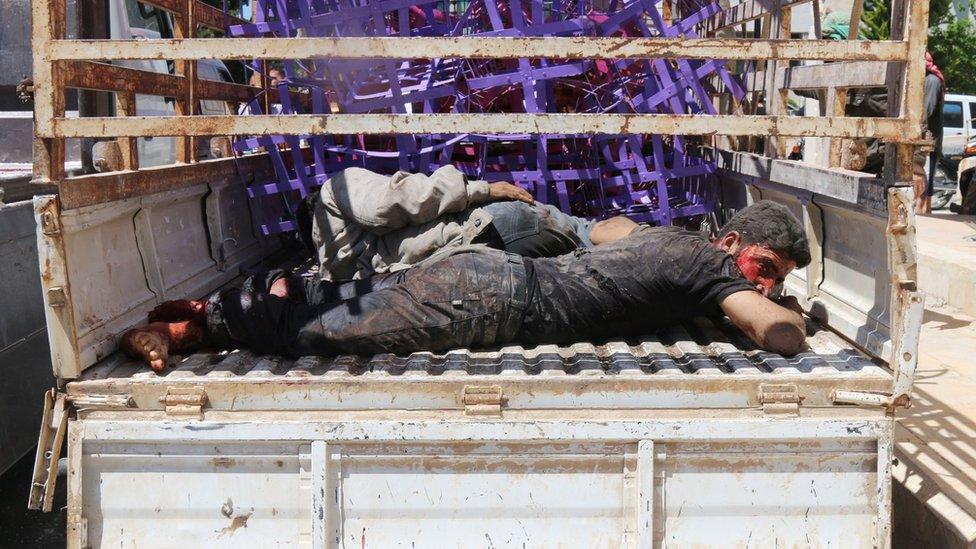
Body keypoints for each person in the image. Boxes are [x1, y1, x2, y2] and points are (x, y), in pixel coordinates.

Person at [123, 201, 812, 371]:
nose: (764, 282)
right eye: (767, 267)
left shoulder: (667, 239)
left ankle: (239, 304)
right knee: (335, 330)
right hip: (492, 299)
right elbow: (777, 335)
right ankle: (195, 324)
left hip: (486, 274)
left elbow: (603, 229)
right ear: (734, 243)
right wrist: (780, 308)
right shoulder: (711, 268)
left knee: (353, 303)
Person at [281, 165, 637, 300]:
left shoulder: (342, 272)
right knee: (588, 231)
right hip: (487, 227)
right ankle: (667, 246)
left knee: (584, 246)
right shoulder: (333, 191)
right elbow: (391, 201)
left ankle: (664, 254)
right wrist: (477, 188)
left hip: (471, 264)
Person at [915, 52, 945, 214]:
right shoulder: (925, 79)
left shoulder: (932, 80)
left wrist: (919, 130)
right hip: (923, 134)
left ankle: (922, 210)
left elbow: (927, 109)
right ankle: (924, 209)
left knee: (924, 172)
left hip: (928, 137)